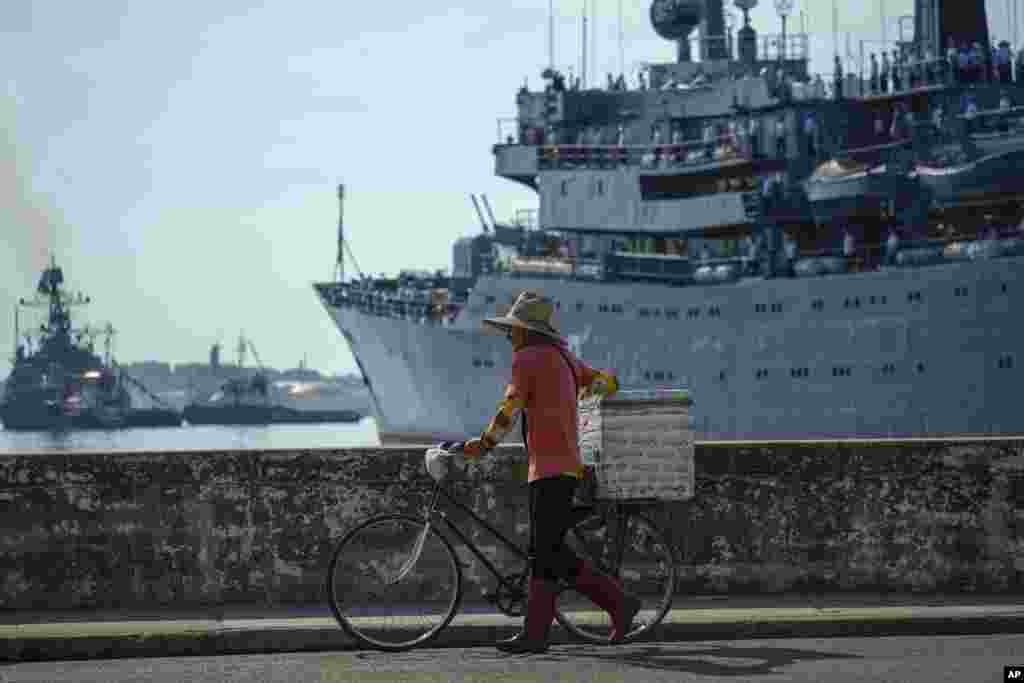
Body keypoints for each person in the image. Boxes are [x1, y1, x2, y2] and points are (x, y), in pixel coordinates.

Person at [463, 291, 639, 655]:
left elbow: (509, 408)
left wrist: (484, 444)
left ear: (527, 332)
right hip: (569, 466)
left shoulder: (526, 359)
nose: (510, 336)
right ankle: (540, 632)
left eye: (513, 330)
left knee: (548, 552)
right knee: (546, 551)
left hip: (547, 468)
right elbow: (607, 382)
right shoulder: (565, 357)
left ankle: (617, 605)